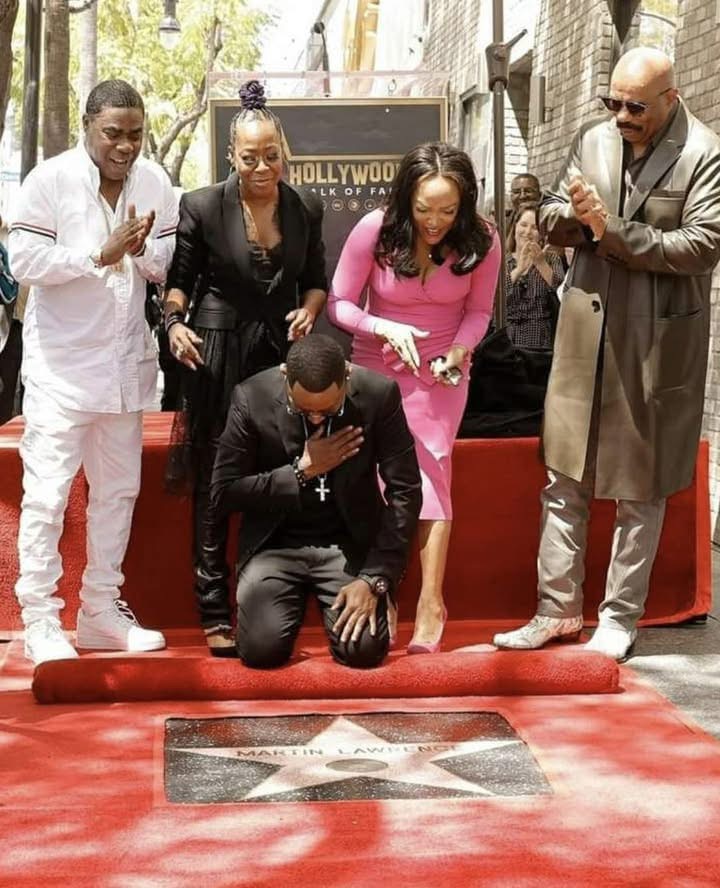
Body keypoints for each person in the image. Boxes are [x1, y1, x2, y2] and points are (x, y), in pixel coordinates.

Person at [494, 48, 720, 661]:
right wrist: (571, 217)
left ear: (670, 98)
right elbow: (547, 215)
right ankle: (555, 611)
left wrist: (608, 228)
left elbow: (700, 246)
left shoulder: (704, 152)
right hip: (581, 338)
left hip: (654, 345)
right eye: (611, 103)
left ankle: (619, 618)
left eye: (635, 106)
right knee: (563, 478)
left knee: (638, 491)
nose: (620, 116)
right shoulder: (592, 139)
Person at [8, 79, 178, 666]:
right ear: (88, 125)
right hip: (61, 368)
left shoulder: (155, 182)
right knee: (48, 496)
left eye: (135, 134)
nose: (125, 146)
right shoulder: (50, 180)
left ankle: (101, 610)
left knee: (118, 493)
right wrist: (96, 255)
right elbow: (22, 259)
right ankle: (40, 619)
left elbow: (168, 262)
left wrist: (139, 252)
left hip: (125, 368)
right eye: (113, 133)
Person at [163, 80, 327, 656]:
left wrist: (309, 314)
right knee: (216, 476)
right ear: (232, 155)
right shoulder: (202, 205)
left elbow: (315, 284)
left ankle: (262, 598)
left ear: (284, 152)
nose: (261, 167)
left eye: (271, 155)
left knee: (280, 469)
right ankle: (211, 604)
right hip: (217, 348)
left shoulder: (305, 206)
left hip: (277, 353)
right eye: (249, 156)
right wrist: (175, 323)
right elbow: (179, 283)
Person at [327, 142, 500, 653]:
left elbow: (480, 312)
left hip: (443, 372)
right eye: (424, 209)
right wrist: (382, 326)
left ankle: (431, 601)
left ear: (465, 204)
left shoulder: (483, 238)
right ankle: (385, 586)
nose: (435, 222)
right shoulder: (374, 230)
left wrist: (459, 352)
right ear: (406, 199)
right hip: (377, 368)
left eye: (448, 211)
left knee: (430, 475)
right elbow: (339, 303)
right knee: (379, 479)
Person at [210, 334, 422, 667]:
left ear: (347, 376)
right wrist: (301, 471)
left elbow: (406, 490)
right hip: (274, 546)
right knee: (261, 652)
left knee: (363, 652)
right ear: (285, 377)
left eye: (328, 410)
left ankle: (371, 599)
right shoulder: (252, 397)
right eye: (303, 410)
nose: (316, 419)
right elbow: (223, 493)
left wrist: (376, 578)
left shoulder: (378, 394)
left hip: (347, 547)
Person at [505, 202, 564, 349]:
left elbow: (562, 292)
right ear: (515, 228)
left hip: (540, 342)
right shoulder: (501, 261)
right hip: (505, 340)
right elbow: (492, 298)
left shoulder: (551, 259)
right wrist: (518, 270)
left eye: (534, 227)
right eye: (523, 225)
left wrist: (541, 263)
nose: (528, 232)